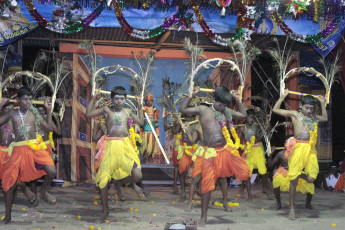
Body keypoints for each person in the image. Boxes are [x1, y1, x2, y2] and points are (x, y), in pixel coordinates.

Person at [179, 86, 250, 226]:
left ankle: (224, 201)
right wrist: (191, 95)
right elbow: (183, 110)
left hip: (225, 151)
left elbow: (244, 115)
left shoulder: (227, 111)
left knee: (245, 171)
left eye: (225, 105)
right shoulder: (203, 110)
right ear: (214, 100)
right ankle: (203, 217)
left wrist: (236, 99)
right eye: (220, 104)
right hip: (209, 153)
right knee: (206, 186)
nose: (222, 107)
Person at [86, 86, 144, 223]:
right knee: (103, 180)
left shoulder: (128, 111)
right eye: (116, 99)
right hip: (111, 146)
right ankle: (105, 209)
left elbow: (141, 122)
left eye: (122, 99)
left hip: (125, 146)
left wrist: (139, 106)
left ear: (125, 100)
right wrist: (94, 98)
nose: (119, 101)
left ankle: (118, 182)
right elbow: (88, 114)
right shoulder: (107, 110)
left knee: (137, 175)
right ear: (112, 99)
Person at [0, 87, 56, 224]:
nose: (28, 102)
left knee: (52, 171)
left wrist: (49, 112)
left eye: (30, 99)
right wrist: (1, 105)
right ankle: (8, 216)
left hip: (34, 148)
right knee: (10, 184)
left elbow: (49, 128)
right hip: (19, 149)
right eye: (25, 99)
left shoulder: (34, 113)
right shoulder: (12, 113)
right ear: (18, 100)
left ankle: (43, 191)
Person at [272, 90, 327, 220]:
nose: (309, 110)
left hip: (310, 149)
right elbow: (275, 109)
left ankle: (299, 174)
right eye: (307, 107)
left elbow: (325, 118)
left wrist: (322, 103)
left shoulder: (314, 118)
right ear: (301, 106)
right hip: (298, 148)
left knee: (311, 179)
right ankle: (292, 208)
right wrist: (283, 97)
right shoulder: (295, 115)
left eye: (312, 108)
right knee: (293, 181)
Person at [23, 102, 62, 207]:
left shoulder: (46, 121)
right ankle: (34, 198)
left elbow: (58, 132)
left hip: (47, 149)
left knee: (50, 172)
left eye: (42, 111)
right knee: (33, 178)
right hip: (35, 149)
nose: (41, 113)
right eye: (38, 111)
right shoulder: (31, 120)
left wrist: (57, 119)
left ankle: (43, 191)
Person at [268, 135, 315, 210]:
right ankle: (279, 204)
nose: (288, 143)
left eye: (290, 142)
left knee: (310, 185)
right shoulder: (280, 154)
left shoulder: (299, 153)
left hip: (296, 172)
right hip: (284, 172)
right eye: (286, 142)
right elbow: (270, 165)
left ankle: (308, 204)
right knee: (276, 182)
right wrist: (270, 154)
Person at [239, 109, 272, 200]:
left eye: (253, 117)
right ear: (246, 117)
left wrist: (266, 122)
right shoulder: (242, 128)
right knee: (247, 174)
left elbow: (264, 132)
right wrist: (240, 148)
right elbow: (237, 141)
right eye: (250, 117)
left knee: (263, 172)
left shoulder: (257, 127)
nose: (251, 119)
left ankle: (266, 190)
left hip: (258, 149)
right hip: (248, 151)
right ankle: (249, 195)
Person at [163, 112, 182, 195]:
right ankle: (175, 187)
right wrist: (165, 119)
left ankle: (182, 187)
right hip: (178, 146)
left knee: (183, 168)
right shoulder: (177, 123)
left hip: (185, 145)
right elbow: (170, 130)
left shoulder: (184, 121)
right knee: (177, 167)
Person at [140, 93, 160, 163]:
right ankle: (145, 158)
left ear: (152, 101)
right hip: (145, 127)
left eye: (150, 100)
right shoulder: (144, 108)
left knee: (152, 144)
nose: (149, 102)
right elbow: (141, 117)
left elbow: (155, 118)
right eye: (147, 100)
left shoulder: (154, 108)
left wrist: (157, 116)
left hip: (153, 128)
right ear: (145, 101)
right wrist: (143, 112)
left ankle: (150, 158)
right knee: (145, 143)